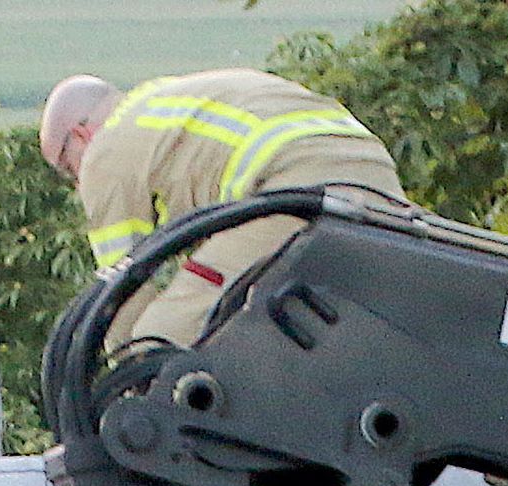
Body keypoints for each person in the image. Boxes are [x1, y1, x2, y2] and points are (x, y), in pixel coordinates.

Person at [41, 70, 406, 353]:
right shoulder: (167, 106)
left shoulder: (107, 148)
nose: (77, 181)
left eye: (67, 167)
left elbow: (122, 287)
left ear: (81, 134)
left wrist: (129, 376)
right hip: (375, 176)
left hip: (294, 182)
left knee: (162, 333)